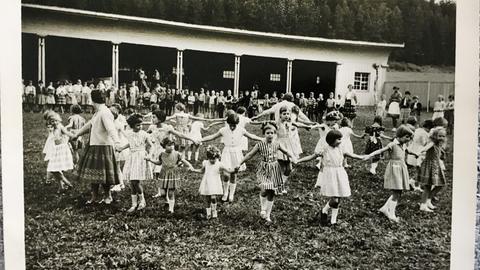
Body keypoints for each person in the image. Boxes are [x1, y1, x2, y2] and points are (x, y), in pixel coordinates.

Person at [297, 130, 367, 226]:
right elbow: (311, 157)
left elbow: (353, 155)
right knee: (334, 199)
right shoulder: (325, 149)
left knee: (338, 197)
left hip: (340, 173)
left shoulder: (341, 148)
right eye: (338, 139)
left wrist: (363, 157)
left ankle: (333, 220)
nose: (340, 141)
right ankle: (324, 210)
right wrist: (298, 161)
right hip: (330, 174)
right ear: (331, 140)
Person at [237, 122, 296, 222]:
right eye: (268, 133)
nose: (270, 135)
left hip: (274, 168)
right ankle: (263, 208)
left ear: (275, 134)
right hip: (264, 169)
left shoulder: (277, 144)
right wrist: (240, 163)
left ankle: (268, 214)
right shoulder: (260, 144)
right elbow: (250, 154)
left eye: (272, 133)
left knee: (272, 191)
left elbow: (286, 151)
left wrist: (293, 157)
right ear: (264, 134)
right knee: (264, 190)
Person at [73, 90, 122, 205]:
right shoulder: (98, 112)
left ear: (92, 99)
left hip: (104, 146)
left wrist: (117, 142)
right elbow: (90, 124)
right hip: (94, 145)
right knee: (94, 174)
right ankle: (94, 196)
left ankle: (107, 196)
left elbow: (111, 129)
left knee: (105, 175)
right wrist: (77, 134)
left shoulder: (105, 112)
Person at [201, 113, 263, 202]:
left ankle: (231, 194)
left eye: (234, 125)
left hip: (236, 152)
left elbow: (252, 136)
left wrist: (262, 139)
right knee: (226, 174)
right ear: (228, 123)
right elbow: (212, 136)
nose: (232, 127)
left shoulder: (241, 130)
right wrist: (201, 139)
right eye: (231, 125)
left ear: (237, 124)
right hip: (227, 152)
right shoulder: (223, 130)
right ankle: (225, 192)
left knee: (234, 174)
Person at [366, 125, 417, 222]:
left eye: (409, 137)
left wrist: (415, 154)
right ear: (399, 136)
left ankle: (385, 208)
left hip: (401, 167)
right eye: (406, 137)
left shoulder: (403, 145)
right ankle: (391, 214)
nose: (408, 139)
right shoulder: (393, 145)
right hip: (395, 168)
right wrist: (370, 155)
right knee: (397, 192)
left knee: (398, 191)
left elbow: (408, 151)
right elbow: (381, 150)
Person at [149, 110, 198, 198]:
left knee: (165, 170)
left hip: (166, 152)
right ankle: (160, 190)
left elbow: (180, 134)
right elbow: (145, 135)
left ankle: (168, 189)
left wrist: (192, 139)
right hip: (156, 151)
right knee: (156, 172)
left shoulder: (167, 128)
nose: (152, 119)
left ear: (160, 119)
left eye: (154, 117)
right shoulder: (152, 127)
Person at [146, 137, 194, 213]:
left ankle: (171, 209)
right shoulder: (162, 154)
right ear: (164, 146)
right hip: (164, 174)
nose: (171, 147)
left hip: (173, 174)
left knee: (171, 192)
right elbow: (159, 162)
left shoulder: (177, 154)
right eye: (169, 145)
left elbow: (183, 161)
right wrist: (151, 160)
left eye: (172, 145)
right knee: (162, 193)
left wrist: (190, 166)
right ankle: (166, 200)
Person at [117, 114, 153, 212]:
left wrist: (150, 154)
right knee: (131, 182)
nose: (140, 127)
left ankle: (142, 201)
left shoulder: (144, 134)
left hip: (140, 157)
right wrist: (121, 148)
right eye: (137, 125)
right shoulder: (129, 133)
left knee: (135, 181)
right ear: (132, 126)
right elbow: (131, 143)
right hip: (132, 157)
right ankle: (134, 203)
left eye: (141, 124)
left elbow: (151, 145)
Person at [190, 146, 235, 219]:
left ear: (217, 158)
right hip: (207, 182)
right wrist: (194, 170)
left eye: (214, 158)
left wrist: (234, 170)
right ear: (208, 158)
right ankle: (208, 213)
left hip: (214, 183)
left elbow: (228, 170)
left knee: (213, 197)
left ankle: (214, 211)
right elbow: (202, 171)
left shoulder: (219, 164)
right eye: (211, 159)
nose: (212, 160)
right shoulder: (205, 163)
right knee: (207, 198)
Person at [42, 111, 75, 191]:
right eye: (53, 121)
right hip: (55, 150)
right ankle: (63, 186)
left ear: (59, 120)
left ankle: (65, 184)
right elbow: (51, 137)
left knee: (54, 169)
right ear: (50, 122)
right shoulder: (51, 128)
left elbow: (67, 133)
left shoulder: (60, 126)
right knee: (54, 169)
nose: (55, 122)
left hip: (62, 150)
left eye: (56, 120)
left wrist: (74, 135)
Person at [417, 127, 447, 212]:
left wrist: (442, 154)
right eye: (439, 136)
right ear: (434, 136)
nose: (441, 138)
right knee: (427, 186)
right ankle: (423, 205)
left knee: (440, 184)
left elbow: (439, 153)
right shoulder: (432, 143)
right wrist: (421, 151)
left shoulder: (439, 144)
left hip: (436, 165)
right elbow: (426, 148)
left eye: (443, 136)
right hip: (429, 166)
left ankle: (428, 200)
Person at [406, 119, 434, 191]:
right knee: (419, 170)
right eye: (429, 129)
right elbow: (424, 143)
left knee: (417, 169)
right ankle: (414, 183)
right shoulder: (425, 133)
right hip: (419, 151)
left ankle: (412, 182)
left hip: (412, 148)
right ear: (428, 127)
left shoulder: (418, 130)